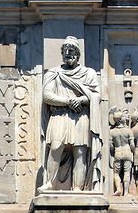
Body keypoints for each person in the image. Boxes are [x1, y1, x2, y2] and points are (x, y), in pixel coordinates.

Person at [39, 37, 100, 192]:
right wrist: (67, 101)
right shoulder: (54, 73)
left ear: (77, 54)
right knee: (55, 147)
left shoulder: (88, 73)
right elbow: (46, 95)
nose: (68, 53)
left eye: (71, 50)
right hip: (59, 115)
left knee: (80, 151)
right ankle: (50, 183)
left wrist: (80, 100)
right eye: (65, 51)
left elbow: (95, 95)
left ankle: (78, 188)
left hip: (80, 116)